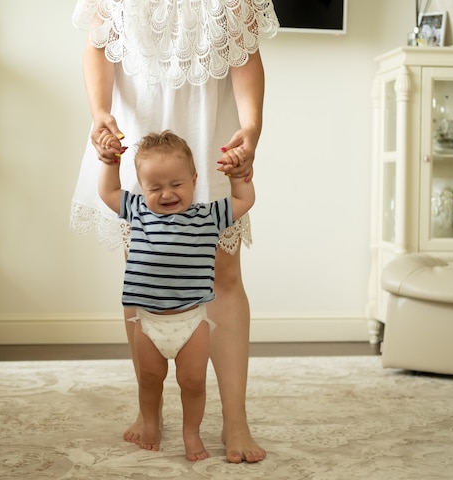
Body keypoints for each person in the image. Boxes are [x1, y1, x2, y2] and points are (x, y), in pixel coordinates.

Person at [71, 0, 279, 463]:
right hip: (137, 127)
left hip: (207, 129)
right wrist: (99, 111)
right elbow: (99, 44)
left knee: (223, 275)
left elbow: (244, 52)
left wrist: (252, 125)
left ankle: (235, 419)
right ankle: (150, 412)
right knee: (144, 274)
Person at [98, 130, 255, 460]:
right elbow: (108, 191)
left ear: (194, 180)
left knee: (193, 382)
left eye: (176, 184)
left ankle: (191, 433)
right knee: (149, 379)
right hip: (148, 320)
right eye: (155, 187)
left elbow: (244, 201)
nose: (166, 193)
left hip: (193, 321)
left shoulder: (207, 216)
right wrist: (110, 161)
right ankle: (151, 421)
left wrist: (239, 177)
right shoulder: (138, 210)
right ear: (142, 188)